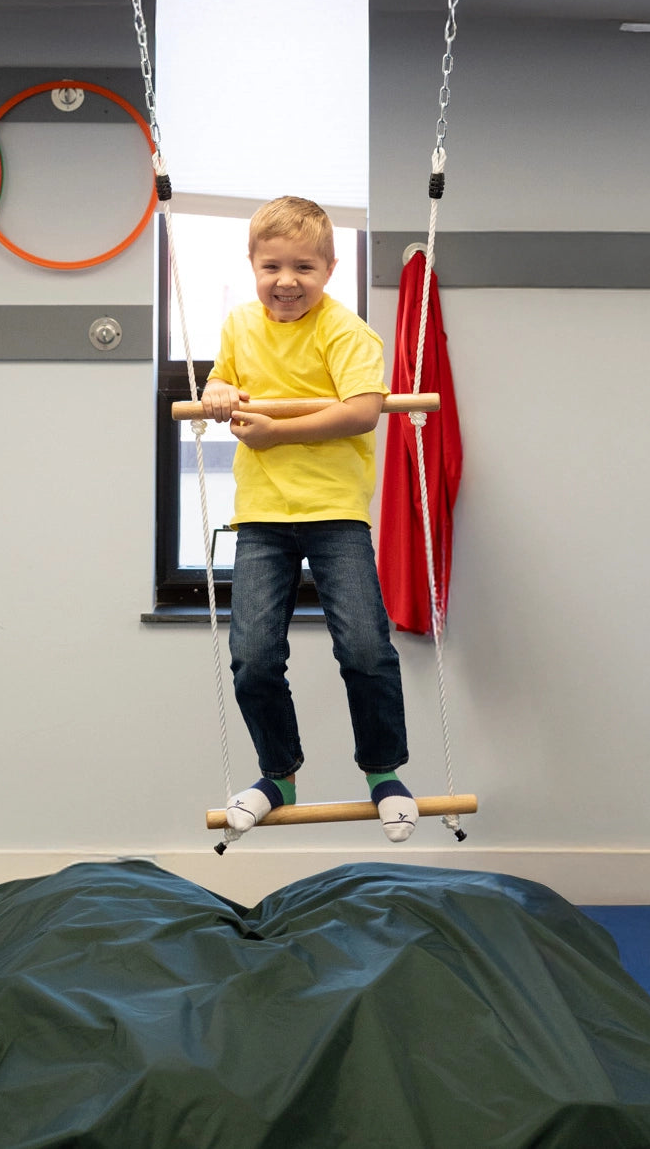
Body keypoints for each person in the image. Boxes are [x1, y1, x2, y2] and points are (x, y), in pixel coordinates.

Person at [200, 196, 418, 842]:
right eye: (271, 265)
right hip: (262, 518)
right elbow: (222, 384)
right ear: (252, 265)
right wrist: (216, 392)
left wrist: (277, 433)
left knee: (364, 649)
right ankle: (278, 775)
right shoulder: (240, 327)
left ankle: (383, 774)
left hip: (334, 514)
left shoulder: (345, 331)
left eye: (303, 266)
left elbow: (360, 410)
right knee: (252, 657)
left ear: (328, 268)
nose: (286, 280)